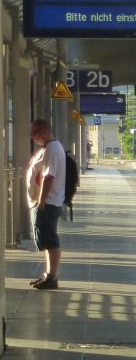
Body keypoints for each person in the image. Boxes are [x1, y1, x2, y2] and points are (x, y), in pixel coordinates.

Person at [25, 118, 66, 290]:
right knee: (47, 241)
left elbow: (49, 177)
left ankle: (52, 277)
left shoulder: (52, 149)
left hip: (48, 202)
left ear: (45, 130)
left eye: (34, 133)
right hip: (46, 201)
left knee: (50, 240)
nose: (32, 137)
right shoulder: (49, 148)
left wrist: (41, 201)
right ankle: (49, 275)